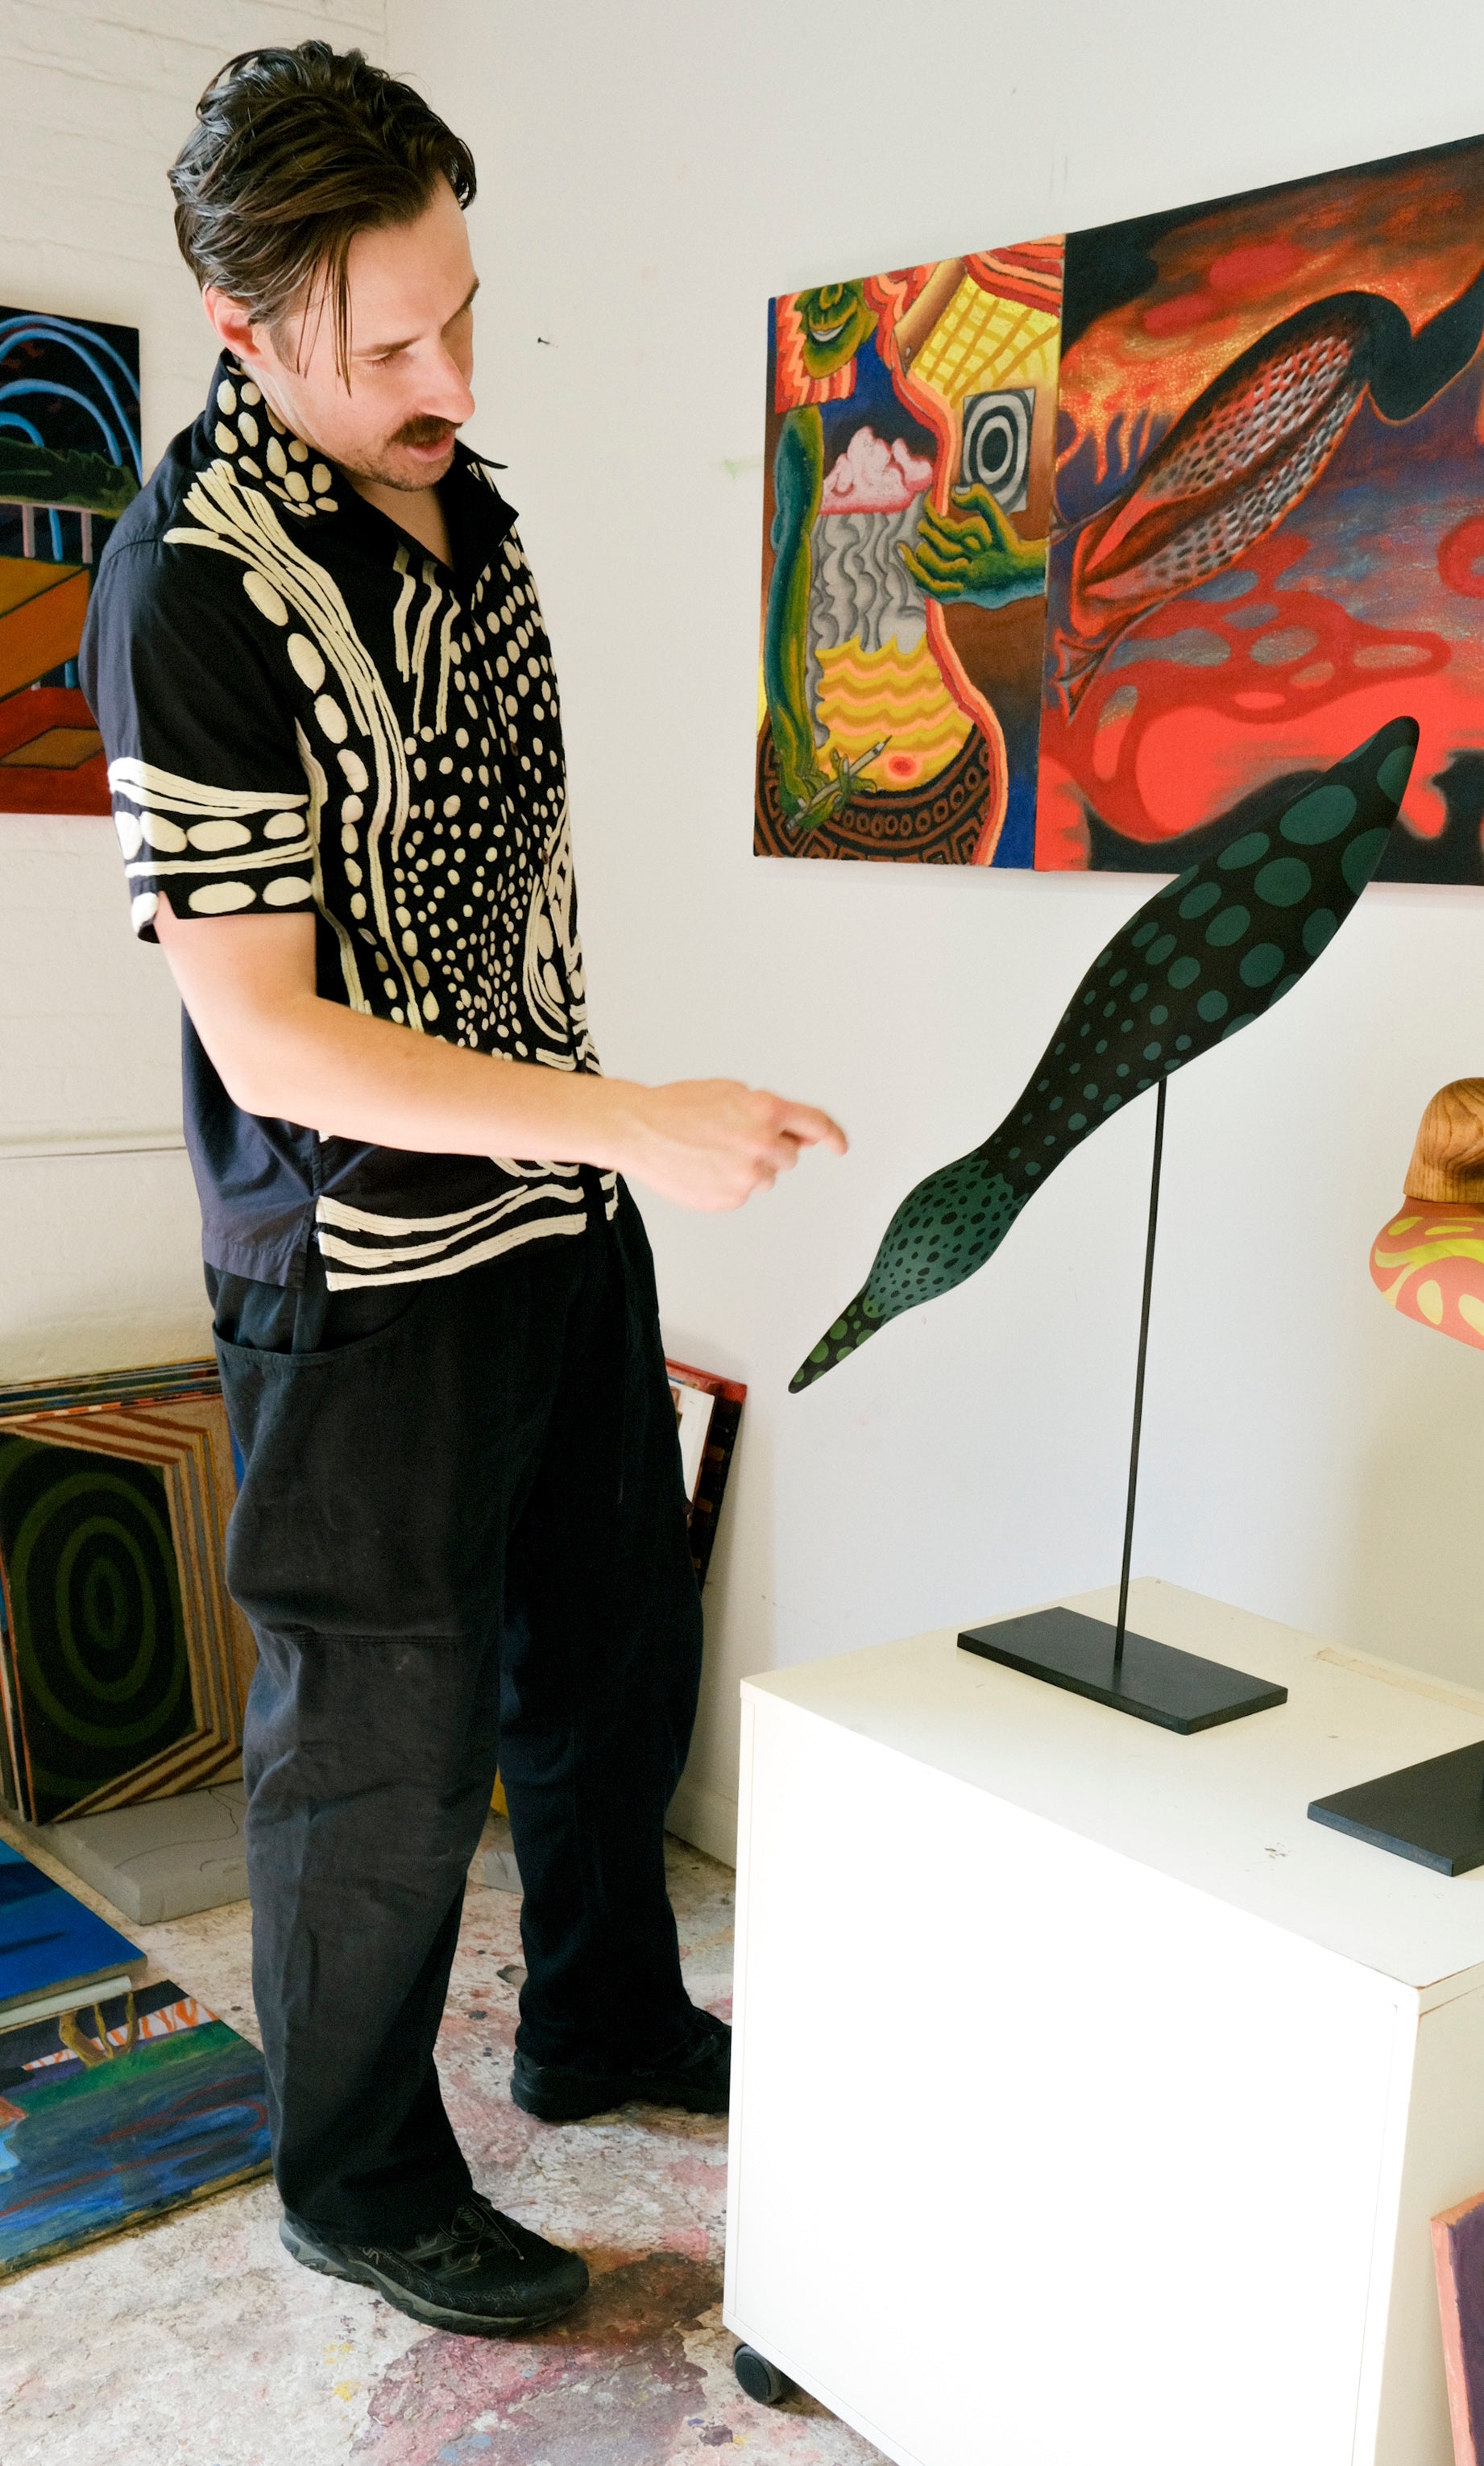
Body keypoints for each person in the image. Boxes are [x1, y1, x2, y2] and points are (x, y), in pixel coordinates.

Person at [80, 43, 844, 2340]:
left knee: (608, 1657)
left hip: (552, 1211)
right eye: (390, 344)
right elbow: (263, 1031)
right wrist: (635, 1119)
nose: (451, 376)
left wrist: (594, 1144)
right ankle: (356, 2173)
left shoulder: (464, 502)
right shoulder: (185, 589)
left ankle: (602, 2012)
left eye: (464, 311)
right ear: (245, 328)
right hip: (360, 1269)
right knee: (377, 1753)